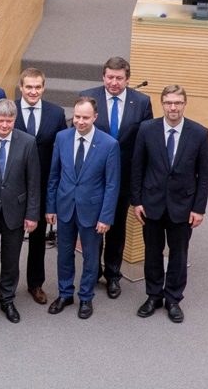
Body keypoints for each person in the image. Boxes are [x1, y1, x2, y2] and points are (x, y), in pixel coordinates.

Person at [132, 85, 208, 323]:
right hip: (152, 204)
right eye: (168, 103)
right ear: (162, 104)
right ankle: (154, 295)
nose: (173, 107)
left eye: (177, 103)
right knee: (152, 252)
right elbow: (137, 167)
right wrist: (137, 201)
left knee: (178, 254)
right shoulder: (147, 129)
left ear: (184, 104)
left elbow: (203, 176)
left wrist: (199, 209)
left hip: (183, 207)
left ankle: (173, 298)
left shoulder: (199, 133)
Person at [79, 56, 153, 299]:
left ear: (127, 79)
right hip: (92, 176)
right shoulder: (88, 96)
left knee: (116, 228)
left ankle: (112, 275)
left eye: (119, 78)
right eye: (109, 77)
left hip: (122, 177)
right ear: (103, 76)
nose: (113, 82)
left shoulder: (141, 102)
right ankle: (93, 271)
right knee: (92, 227)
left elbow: (145, 142)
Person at [46, 97, 119, 319]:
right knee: (64, 254)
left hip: (92, 212)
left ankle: (86, 297)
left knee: (90, 257)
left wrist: (106, 217)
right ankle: (65, 294)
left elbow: (112, 185)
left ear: (95, 117)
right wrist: (50, 207)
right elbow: (54, 175)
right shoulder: (62, 137)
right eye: (77, 116)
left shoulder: (109, 144)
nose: (80, 121)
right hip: (65, 207)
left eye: (85, 117)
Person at [0, 99, 41, 325]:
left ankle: (7, 298)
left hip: (16, 212)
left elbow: (33, 181)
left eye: (9, 121)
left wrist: (32, 214)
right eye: (0, 120)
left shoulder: (28, 142)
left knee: (11, 260)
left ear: (15, 120)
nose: (4, 125)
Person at [14, 68, 68, 305]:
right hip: (14, 187)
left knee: (38, 240)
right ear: (21, 87)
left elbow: (61, 152)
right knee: (12, 239)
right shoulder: (9, 111)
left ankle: (35, 283)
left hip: (43, 186)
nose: (33, 91)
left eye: (37, 87)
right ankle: (8, 285)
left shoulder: (56, 113)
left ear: (44, 87)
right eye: (29, 87)